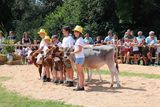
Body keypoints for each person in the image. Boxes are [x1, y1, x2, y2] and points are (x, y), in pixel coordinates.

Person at [72, 25, 85, 91]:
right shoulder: (79, 39)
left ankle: (80, 86)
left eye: (75, 32)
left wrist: (73, 53)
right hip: (80, 57)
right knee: (81, 72)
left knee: (79, 73)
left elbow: (79, 49)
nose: (74, 33)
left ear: (79, 33)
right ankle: (81, 86)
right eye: (74, 32)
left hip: (79, 57)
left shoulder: (79, 40)